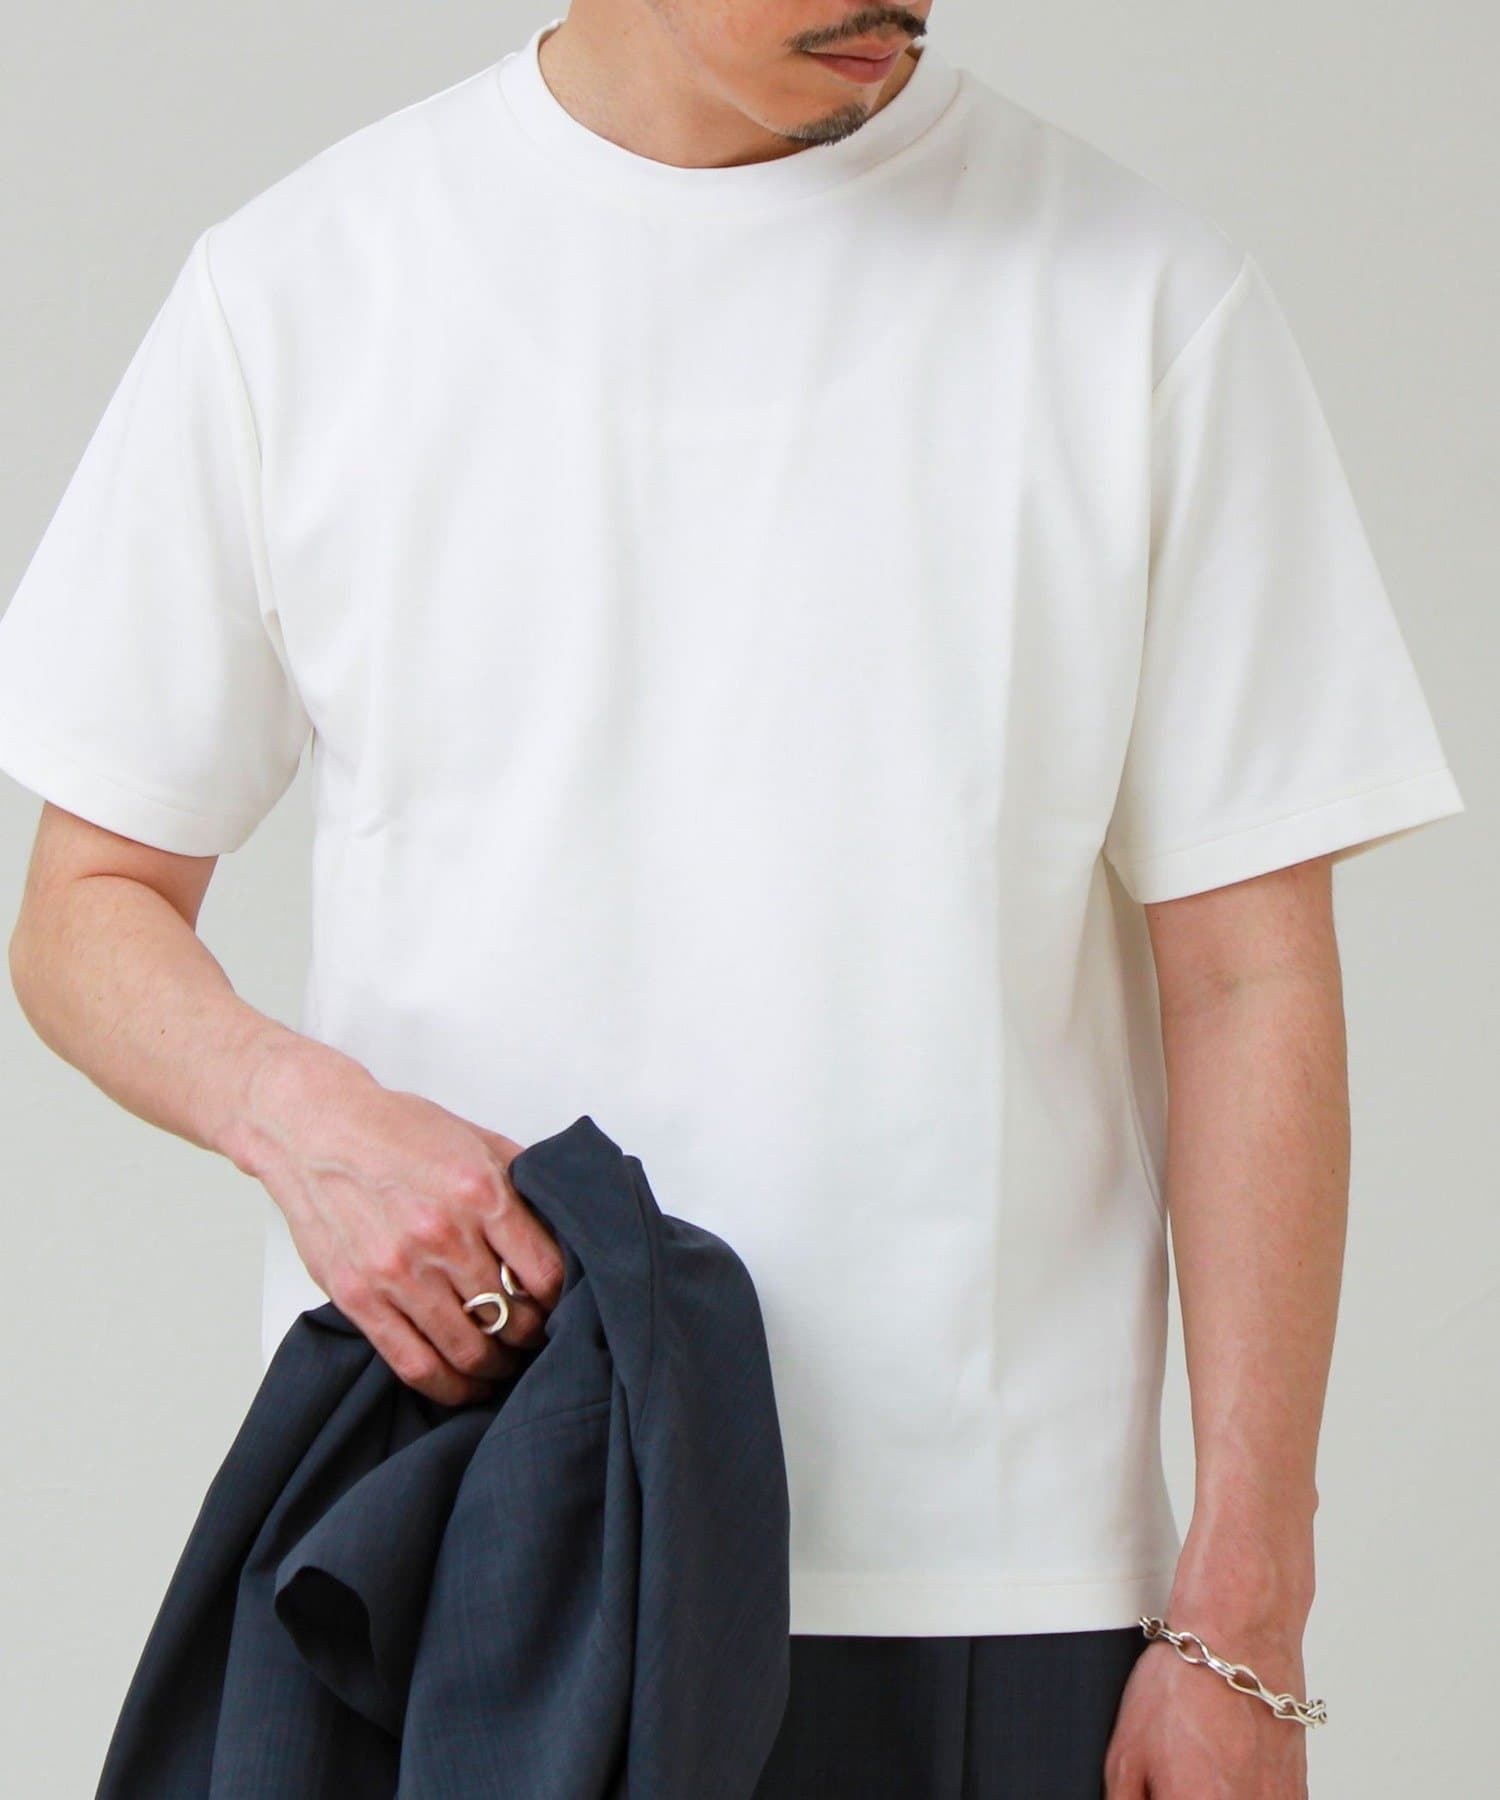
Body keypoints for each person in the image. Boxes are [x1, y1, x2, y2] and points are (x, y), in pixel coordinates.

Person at [0, 4, 1464, 1795]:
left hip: (989, 1595)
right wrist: (297, 1118)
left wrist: (1248, 1614)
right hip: (469, 1545)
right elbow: (86, 904)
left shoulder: (1143, 305)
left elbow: (1248, 979)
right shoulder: (305, 285)